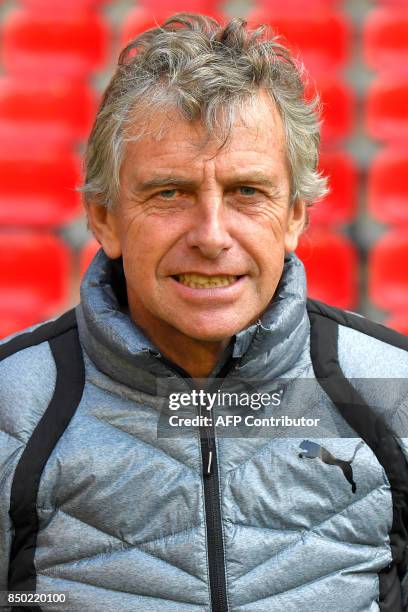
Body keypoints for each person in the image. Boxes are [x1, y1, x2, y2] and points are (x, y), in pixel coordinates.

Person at [1, 13, 408, 612]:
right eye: (170, 193)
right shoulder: (11, 401)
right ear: (105, 219)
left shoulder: (393, 390)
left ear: (295, 215)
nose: (212, 236)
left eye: (248, 191)